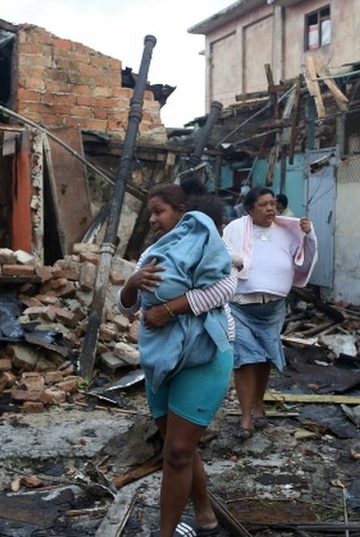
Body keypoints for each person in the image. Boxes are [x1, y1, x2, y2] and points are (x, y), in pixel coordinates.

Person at [117, 184, 235, 537]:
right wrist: (132, 283)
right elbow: (127, 307)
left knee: (180, 449)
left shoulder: (210, 243)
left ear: (182, 211)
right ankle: (205, 515)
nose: (152, 219)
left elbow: (227, 289)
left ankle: (165, 533)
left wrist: (169, 310)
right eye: (151, 213)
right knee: (177, 449)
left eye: (159, 211)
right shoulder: (153, 253)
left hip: (205, 355)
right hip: (161, 356)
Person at [222, 187, 317, 438]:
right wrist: (235, 260)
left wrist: (309, 236)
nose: (271, 209)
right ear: (250, 208)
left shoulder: (288, 231)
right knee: (244, 359)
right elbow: (221, 256)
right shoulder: (235, 229)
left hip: (273, 308)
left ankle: (258, 404)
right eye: (263, 204)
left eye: (273, 204)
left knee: (264, 358)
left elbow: (304, 264)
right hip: (240, 306)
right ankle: (245, 418)